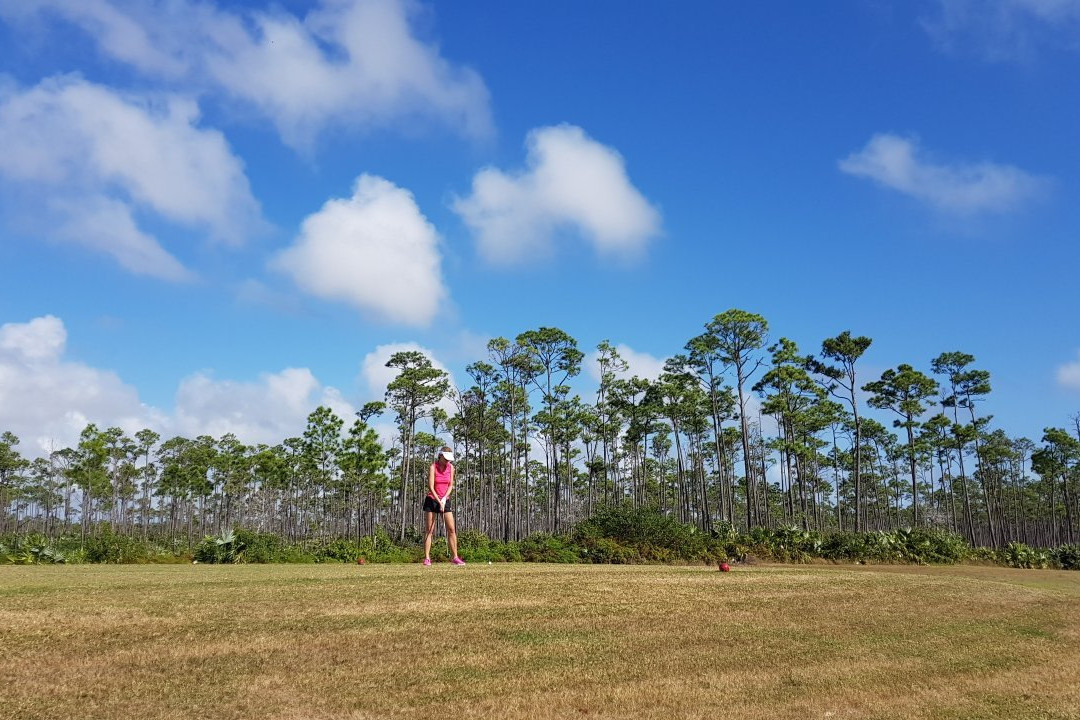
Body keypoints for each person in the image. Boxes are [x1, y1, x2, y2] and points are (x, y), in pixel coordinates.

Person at [423, 446, 464, 566]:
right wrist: (438, 501)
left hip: (445, 500)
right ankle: (427, 558)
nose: (448, 461)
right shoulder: (433, 467)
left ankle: (455, 557)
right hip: (432, 499)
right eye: (446, 459)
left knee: (451, 529)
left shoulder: (451, 468)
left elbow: (451, 485)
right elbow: (430, 486)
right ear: (440, 456)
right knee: (430, 530)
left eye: (449, 459)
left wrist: (444, 498)